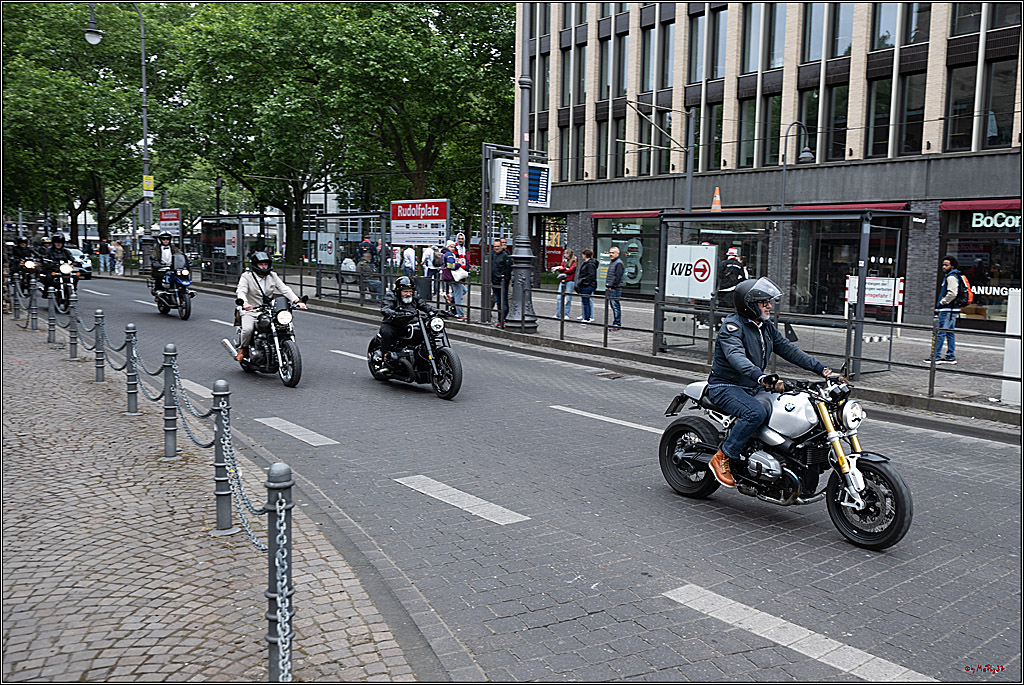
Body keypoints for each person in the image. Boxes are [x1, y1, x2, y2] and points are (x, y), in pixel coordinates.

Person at [706, 277, 837, 488]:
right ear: (749, 305)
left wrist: (823, 370)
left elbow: (789, 350)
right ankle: (723, 457)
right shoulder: (732, 326)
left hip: (752, 385)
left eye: (769, 301)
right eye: (763, 302)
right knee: (754, 413)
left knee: (791, 405)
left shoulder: (765, 327)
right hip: (726, 386)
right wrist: (761, 376)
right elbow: (737, 358)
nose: (769, 305)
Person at [234, 251, 306, 361]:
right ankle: (243, 349)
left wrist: (297, 301)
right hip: (252, 310)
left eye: (266, 264)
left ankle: (286, 348)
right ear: (255, 264)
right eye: (261, 264)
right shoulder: (247, 276)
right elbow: (241, 291)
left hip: (269, 310)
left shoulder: (272, 276)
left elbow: (284, 289)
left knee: (285, 325)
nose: (264, 267)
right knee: (248, 329)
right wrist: (245, 303)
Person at [376, 275, 446, 369]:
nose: (408, 294)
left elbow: (425, 306)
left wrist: (441, 312)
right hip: (393, 324)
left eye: (410, 291)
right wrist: (395, 314)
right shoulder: (391, 296)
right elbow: (385, 309)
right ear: (398, 291)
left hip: (409, 324)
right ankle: (385, 360)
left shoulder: (414, 297)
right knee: (387, 333)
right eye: (405, 291)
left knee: (424, 331)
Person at [926, 256, 962, 365]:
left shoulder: (951, 277)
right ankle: (950, 356)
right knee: (950, 333)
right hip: (952, 310)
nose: (944, 267)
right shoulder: (954, 276)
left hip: (947, 309)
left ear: (952, 266)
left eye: (946, 265)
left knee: (940, 332)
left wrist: (943, 301)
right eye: (943, 264)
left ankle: (936, 356)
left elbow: (952, 293)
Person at [441, 240, 467, 320]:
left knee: (464, 290)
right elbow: (451, 266)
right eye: (451, 247)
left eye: (453, 247)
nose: (453, 248)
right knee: (458, 296)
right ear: (447, 247)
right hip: (453, 277)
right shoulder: (449, 254)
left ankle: (450, 296)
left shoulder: (444, 253)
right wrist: (459, 263)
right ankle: (460, 315)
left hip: (448, 276)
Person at [490, 238, 512, 326]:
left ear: (501, 246)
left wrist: (504, 279)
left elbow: (508, 269)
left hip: (502, 282)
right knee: (498, 301)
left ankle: (503, 319)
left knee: (504, 301)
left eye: (498, 246)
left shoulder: (505, 255)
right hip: (494, 282)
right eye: (495, 246)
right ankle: (500, 319)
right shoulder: (492, 254)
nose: (496, 248)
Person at [554, 249, 577, 319]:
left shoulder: (574, 260)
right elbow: (560, 269)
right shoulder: (564, 260)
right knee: (559, 297)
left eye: (566, 254)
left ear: (568, 254)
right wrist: (565, 268)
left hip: (570, 280)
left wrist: (563, 269)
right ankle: (558, 313)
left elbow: (571, 270)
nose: (564, 255)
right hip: (563, 280)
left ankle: (566, 314)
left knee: (568, 298)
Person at [576, 248, 598, 323]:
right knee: (585, 301)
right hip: (586, 284)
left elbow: (590, 275)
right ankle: (585, 315)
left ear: (585, 255)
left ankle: (587, 317)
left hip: (587, 285)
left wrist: (583, 282)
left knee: (586, 301)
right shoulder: (588, 263)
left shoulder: (590, 264)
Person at [605, 246, 624, 330]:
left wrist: (612, 285)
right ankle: (616, 322)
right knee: (613, 305)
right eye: (610, 252)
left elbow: (618, 276)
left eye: (613, 253)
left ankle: (617, 323)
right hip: (612, 287)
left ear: (617, 254)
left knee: (615, 305)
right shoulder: (613, 262)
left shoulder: (618, 263)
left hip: (615, 288)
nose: (610, 254)